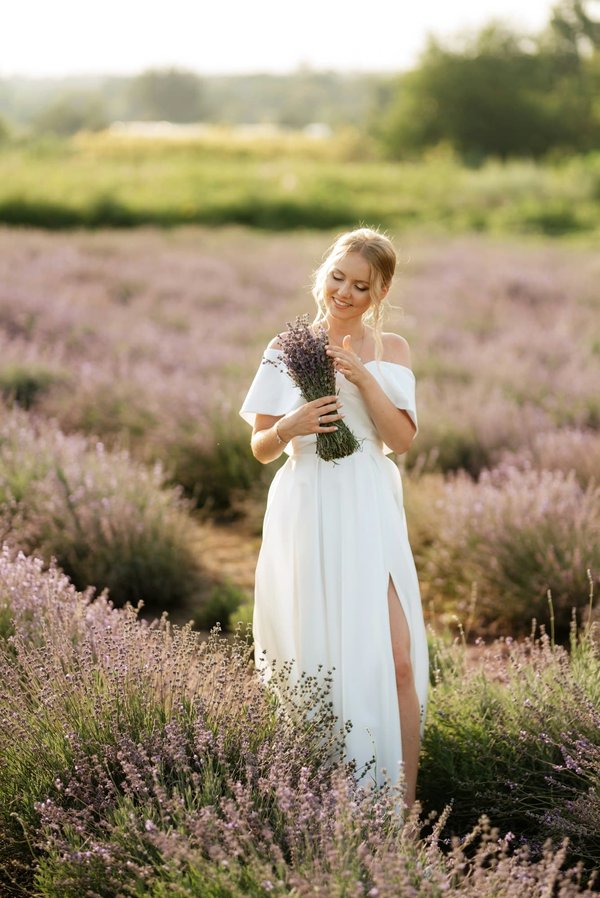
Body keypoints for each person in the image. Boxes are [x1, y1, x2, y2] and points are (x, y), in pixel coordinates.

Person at [239, 227, 429, 809]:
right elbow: (261, 447)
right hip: (309, 505)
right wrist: (289, 427)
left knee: (398, 660)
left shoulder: (391, 349)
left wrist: (363, 377)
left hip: (370, 504)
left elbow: (401, 439)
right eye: (338, 277)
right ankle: (326, 803)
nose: (344, 292)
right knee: (316, 658)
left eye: (361, 285)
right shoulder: (286, 347)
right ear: (324, 274)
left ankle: (403, 810)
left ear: (381, 291)